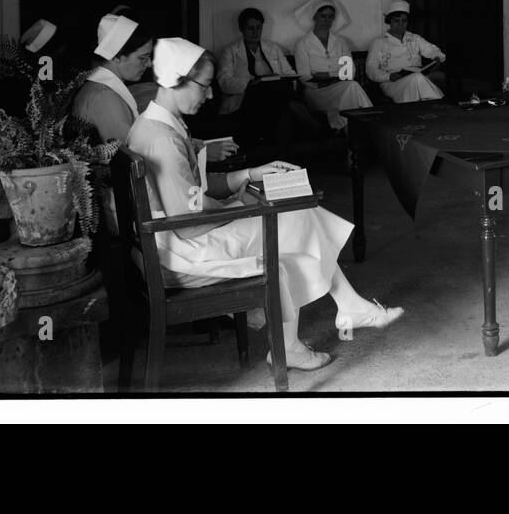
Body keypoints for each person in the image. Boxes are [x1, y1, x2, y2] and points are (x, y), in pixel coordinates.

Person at [125, 38, 403, 370]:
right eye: (204, 86)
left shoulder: (156, 123)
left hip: (176, 240)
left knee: (295, 215)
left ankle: (341, 310)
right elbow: (189, 219)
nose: (210, 95)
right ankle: (308, 334)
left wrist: (250, 174)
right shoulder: (164, 140)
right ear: (175, 80)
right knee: (291, 221)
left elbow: (193, 190)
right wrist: (240, 206)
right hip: (183, 253)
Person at [217, 7, 321, 146]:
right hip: (246, 99)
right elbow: (224, 81)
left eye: (259, 28)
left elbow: (290, 74)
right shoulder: (230, 51)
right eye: (250, 28)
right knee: (285, 103)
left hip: (274, 97)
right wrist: (251, 82)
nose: (255, 32)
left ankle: (285, 154)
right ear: (241, 29)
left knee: (282, 106)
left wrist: (281, 79)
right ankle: (317, 130)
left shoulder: (273, 48)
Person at [292, 0, 372, 131]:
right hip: (315, 93)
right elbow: (304, 76)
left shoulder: (341, 42)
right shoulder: (303, 44)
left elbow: (349, 72)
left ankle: (348, 130)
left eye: (330, 17)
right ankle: (372, 121)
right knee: (352, 87)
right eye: (323, 16)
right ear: (315, 17)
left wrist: (326, 75)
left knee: (351, 86)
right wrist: (334, 75)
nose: (327, 21)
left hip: (340, 88)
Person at [72, 14, 154, 143]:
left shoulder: (100, 88)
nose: (149, 64)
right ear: (117, 57)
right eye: (142, 58)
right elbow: (128, 152)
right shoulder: (105, 97)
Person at [367, 0, 447, 102]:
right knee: (417, 78)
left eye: (404, 21)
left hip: (417, 76)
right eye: (396, 21)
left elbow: (431, 49)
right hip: (393, 83)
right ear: (389, 21)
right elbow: (370, 69)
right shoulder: (379, 42)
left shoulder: (414, 38)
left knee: (418, 77)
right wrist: (388, 76)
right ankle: (439, 103)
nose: (400, 24)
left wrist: (436, 57)